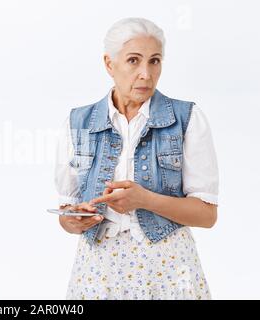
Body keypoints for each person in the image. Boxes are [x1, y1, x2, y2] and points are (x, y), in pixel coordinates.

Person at [54, 17, 219, 300]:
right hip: (97, 272)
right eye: (133, 60)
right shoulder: (78, 123)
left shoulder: (187, 119)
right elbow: (67, 210)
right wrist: (73, 221)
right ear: (109, 64)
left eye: (154, 61)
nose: (145, 73)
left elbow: (207, 215)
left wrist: (145, 200)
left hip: (169, 269)